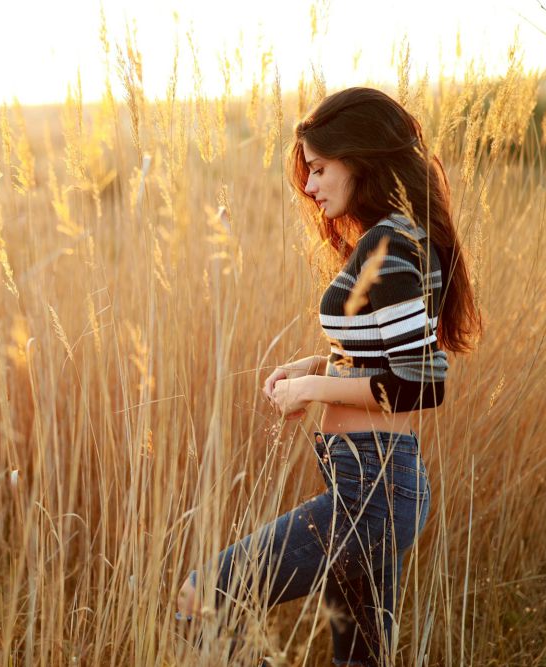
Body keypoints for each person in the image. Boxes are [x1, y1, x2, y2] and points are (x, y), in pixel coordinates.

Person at [175, 87, 482, 666]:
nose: (310, 187)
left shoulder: (390, 247)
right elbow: (388, 363)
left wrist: (313, 389)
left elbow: (421, 384)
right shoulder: (392, 239)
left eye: (318, 169)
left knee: (204, 598)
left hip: (373, 492)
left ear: (359, 158)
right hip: (371, 484)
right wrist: (317, 365)